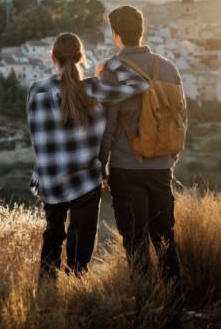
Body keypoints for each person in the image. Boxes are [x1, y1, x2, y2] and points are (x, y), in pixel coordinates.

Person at [27, 32, 149, 278]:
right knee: (81, 241)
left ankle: (47, 292)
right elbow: (141, 85)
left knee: (52, 235)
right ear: (82, 57)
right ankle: (76, 286)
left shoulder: (36, 91)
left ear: (53, 57)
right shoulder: (94, 89)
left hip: (50, 179)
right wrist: (113, 61)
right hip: (85, 180)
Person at [98, 6, 187, 316]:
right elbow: (179, 117)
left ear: (116, 34)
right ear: (142, 30)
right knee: (165, 237)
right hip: (162, 167)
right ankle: (176, 307)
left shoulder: (113, 68)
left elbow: (108, 124)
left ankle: (145, 308)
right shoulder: (169, 68)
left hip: (127, 167)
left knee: (136, 242)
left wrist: (101, 165)